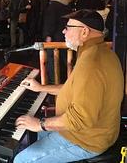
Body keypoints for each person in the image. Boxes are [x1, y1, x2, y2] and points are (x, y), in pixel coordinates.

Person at [13, 9, 124, 163]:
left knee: (21, 160)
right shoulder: (100, 52)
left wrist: (40, 124)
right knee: (27, 136)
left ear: (84, 32)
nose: (64, 31)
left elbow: (80, 119)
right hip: (89, 133)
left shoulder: (91, 63)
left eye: (68, 27)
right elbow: (74, 88)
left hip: (86, 140)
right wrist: (41, 88)